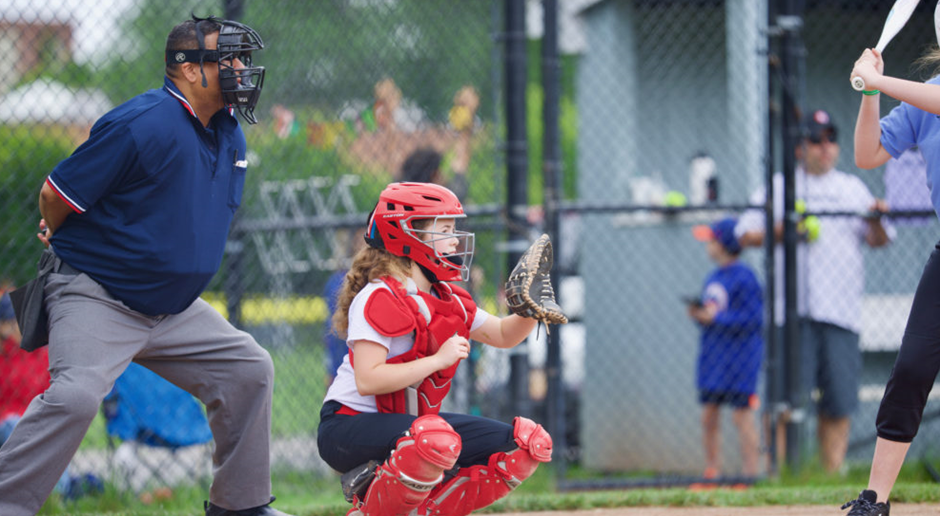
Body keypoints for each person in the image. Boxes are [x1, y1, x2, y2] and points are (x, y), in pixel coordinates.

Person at [0, 16, 294, 516]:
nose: (241, 69)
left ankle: (239, 507)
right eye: (226, 59)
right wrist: (61, 229)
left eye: (242, 58)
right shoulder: (144, 121)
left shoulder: (230, 137)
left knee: (250, 370)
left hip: (173, 309)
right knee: (76, 396)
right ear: (186, 69)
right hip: (99, 294)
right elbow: (56, 193)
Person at [317, 182, 557, 516]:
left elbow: (503, 334)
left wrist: (529, 308)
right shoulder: (379, 296)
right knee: (434, 439)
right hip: (347, 426)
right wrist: (437, 360)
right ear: (407, 236)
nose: (456, 239)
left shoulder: (447, 297)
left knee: (524, 446)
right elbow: (368, 380)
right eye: (444, 229)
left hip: (412, 428)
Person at [736, 109, 893, 475]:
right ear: (799, 148)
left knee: (838, 402)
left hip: (841, 313)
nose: (825, 148)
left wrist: (877, 220)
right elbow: (744, 234)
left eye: (830, 140)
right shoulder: (779, 186)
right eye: (815, 140)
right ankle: (777, 475)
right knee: (784, 400)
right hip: (789, 314)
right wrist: (784, 231)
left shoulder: (851, 189)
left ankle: (830, 475)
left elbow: (879, 241)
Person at [838, 44, 940, 515]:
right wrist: (868, 91)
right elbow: (867, 153)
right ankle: (875, 499)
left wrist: (879, 81)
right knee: (913, 368)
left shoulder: (928, 96)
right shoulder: (925, 96)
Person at [687, 217, 763, 482]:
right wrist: (700, 315)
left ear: (726, 244)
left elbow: (754, 319)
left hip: (740, 359)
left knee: (742, 416)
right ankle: (712, 472)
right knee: (708, 415)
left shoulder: (745, 277)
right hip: (714, 358)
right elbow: (714, 313)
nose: (708, 245)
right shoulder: (714, 276)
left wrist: (717, 319)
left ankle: (750, 475)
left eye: (713, 240)